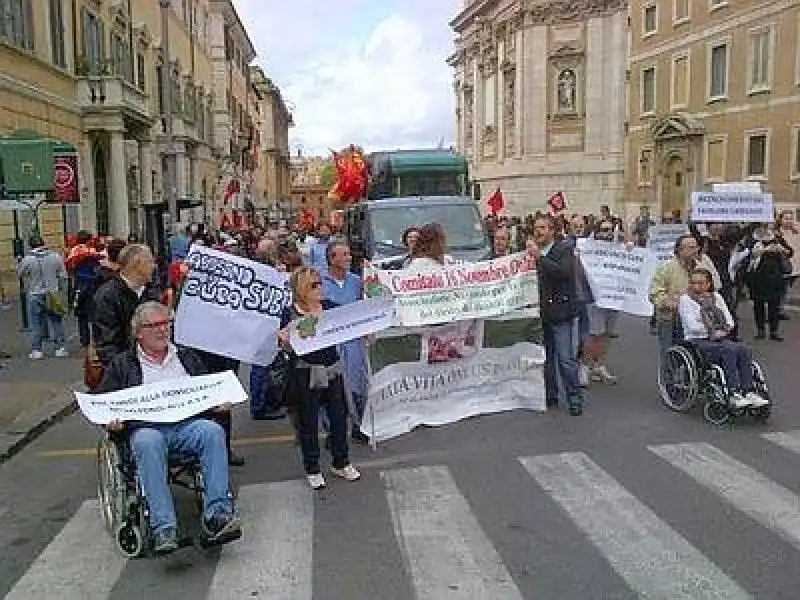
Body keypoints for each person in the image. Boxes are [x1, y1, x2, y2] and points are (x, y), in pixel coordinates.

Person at [95, 302, 242, 554]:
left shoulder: (186, 357)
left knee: (212, 432)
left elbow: (208, 390)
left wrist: (219, 403)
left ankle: (217, 514)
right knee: (147, 442)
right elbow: (105, 404)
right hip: (147, 428)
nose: (162, 330)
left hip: (188, 426)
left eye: (166, 324)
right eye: (154, 326)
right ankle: (164, 527)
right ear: (138, 332)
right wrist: (112, 421)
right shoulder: (123, 364)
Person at [278, 266, 361, 489]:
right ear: (302, 289)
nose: (320, 289)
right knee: (309, 422)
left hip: (332, 369)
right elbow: (283, 344)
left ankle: (341, 461)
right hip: (305, 372)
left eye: (320, 284)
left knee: (338, 417)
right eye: (314, 285)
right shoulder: (289, 313)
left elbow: (352, 321)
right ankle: (312, 467)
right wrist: (284, 342)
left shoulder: (330, 308)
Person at [678, 269, 768, 409]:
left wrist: (720, 330)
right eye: (693, 283)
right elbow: (692, 326)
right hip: (697, 341)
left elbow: (730, 321)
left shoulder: (717, 298)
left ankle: (749, 391)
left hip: (719, 338)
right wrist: (714, 330)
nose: (696, 286)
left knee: (744, 349)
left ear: (708, 284)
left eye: (700, 283)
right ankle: (733, 393)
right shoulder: (685, 300)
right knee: (729, 350)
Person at [526, 215, 584, 416]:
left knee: (565, 359)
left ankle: (574, 398)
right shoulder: (531, 252)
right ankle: (551, 395)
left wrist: (540, 258)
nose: (539, 231)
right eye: (536, 227)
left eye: (543, 227)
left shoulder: (563, 249)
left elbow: (562, 272)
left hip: (561, 313)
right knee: (546, 358)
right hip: (542, 314)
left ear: (552, 231)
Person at [92, 244, 161, 366]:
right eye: (150, 261)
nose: (154, 266)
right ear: (136, 264)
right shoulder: (108, 296)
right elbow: (107, 343)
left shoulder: (152, 292)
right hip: (128, 370)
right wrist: (126, 372)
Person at [16, 235, 69, 359]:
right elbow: (63, 275)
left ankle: (37, 350)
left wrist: (19, 263)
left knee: (36, 323)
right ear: (43, 243)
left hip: (35, 293)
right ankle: (60, 348)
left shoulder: (27, 259)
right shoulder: (55, 256)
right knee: (56, 321)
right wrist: (61, 290)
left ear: (30, 245)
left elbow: (21, 273)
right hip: (52, 293)